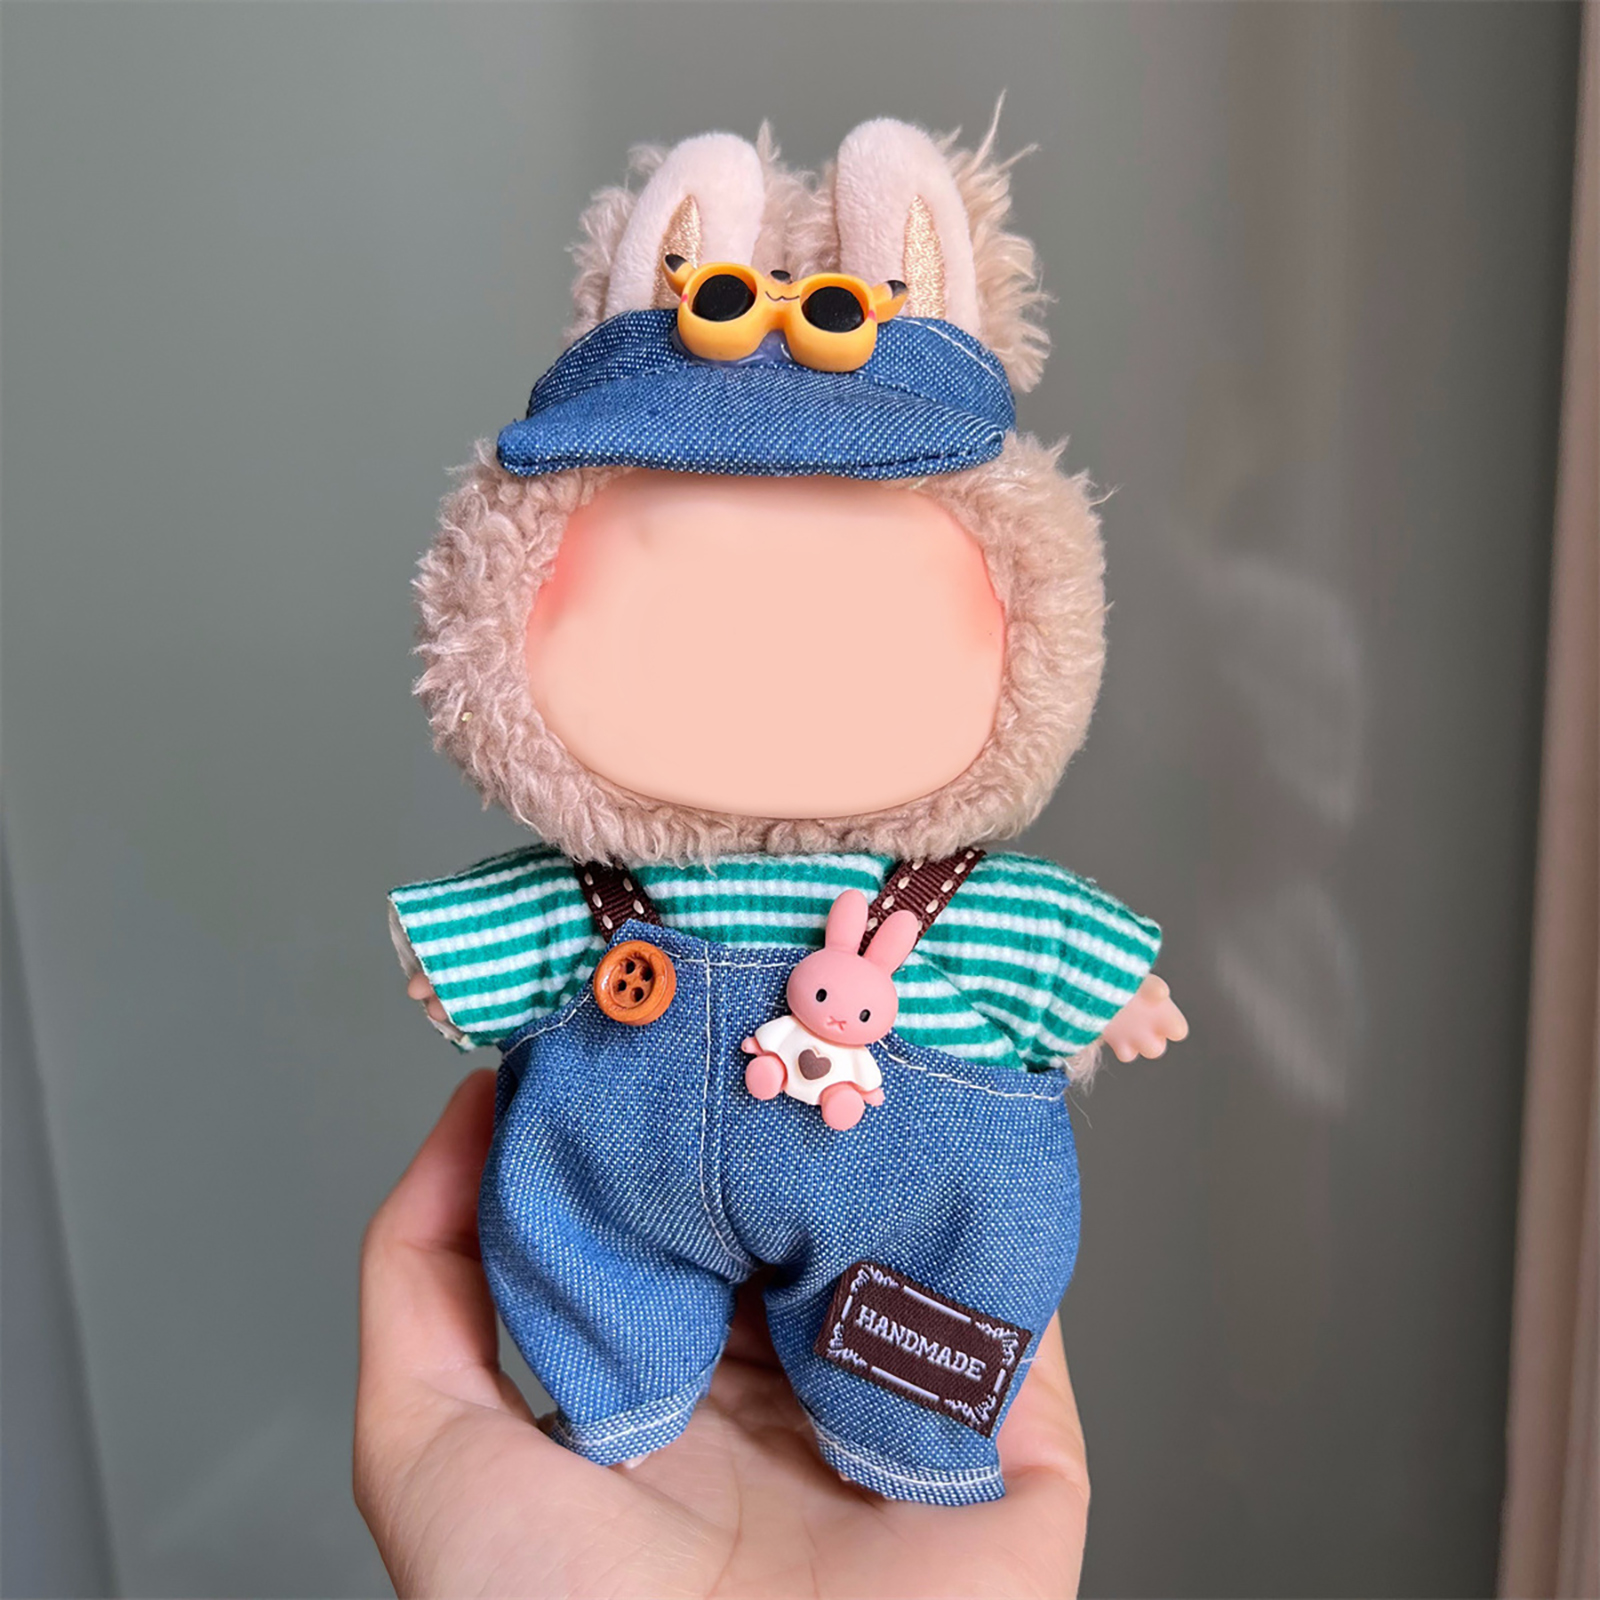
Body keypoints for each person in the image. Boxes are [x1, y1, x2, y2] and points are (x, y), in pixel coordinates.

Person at [354, 1071, 1092, 1597]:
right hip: (652, 1114)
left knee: (591, 1246)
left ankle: (633, 1405)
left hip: (645, 1103)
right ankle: (626, 1402)